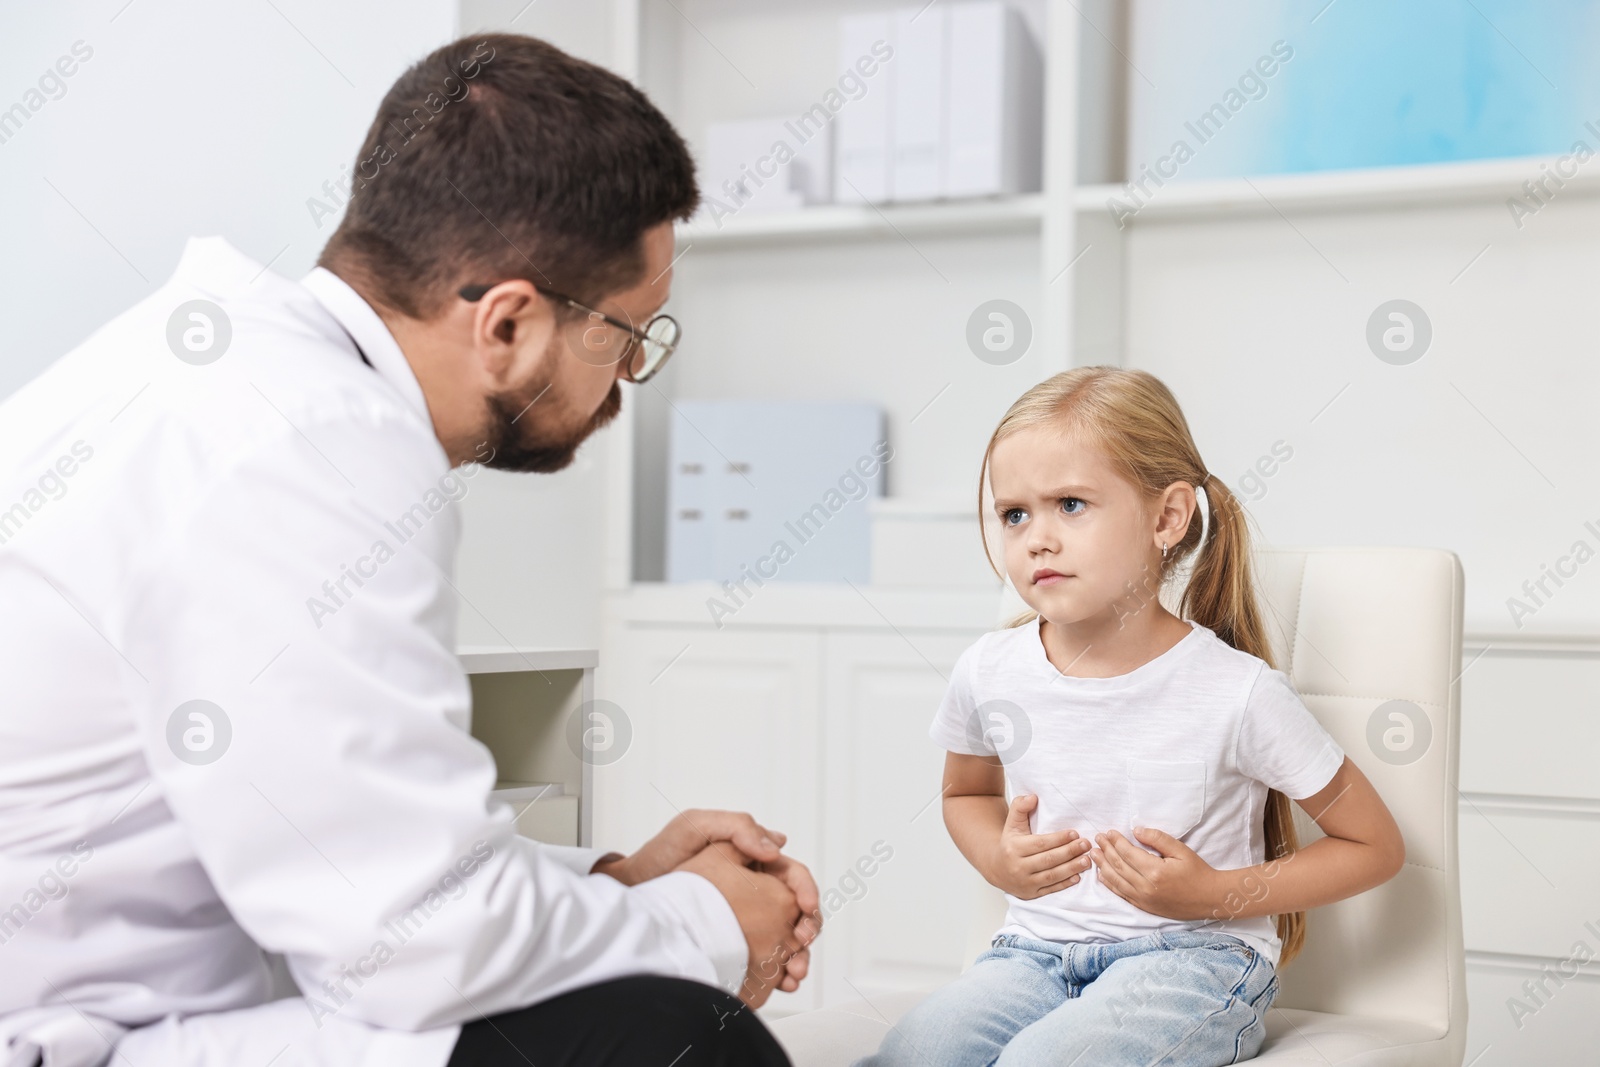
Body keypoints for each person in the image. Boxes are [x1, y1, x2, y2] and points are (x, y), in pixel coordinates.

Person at [0, 33, 813, 1067]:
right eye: (625, 333)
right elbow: (410, 945)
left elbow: (343, 842)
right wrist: (706, 923)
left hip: (132, 988)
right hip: (74, 1036)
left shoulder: (223, 370)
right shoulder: (313, 448)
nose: (625, 379)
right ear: (509, 324)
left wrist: (611, 883)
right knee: (674, 1038)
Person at [857, 367, 1407, 1065]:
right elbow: (965, 792)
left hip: (1194, 958)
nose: (1037, 539)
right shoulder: (990, 669)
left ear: (1168, 517)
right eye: (1014, 513)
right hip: (1032, 954)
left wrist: (1209, 891)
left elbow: (1373, 845)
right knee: (913, 1053)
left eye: (1071, 504)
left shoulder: (1237, 692)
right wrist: (999, 857)